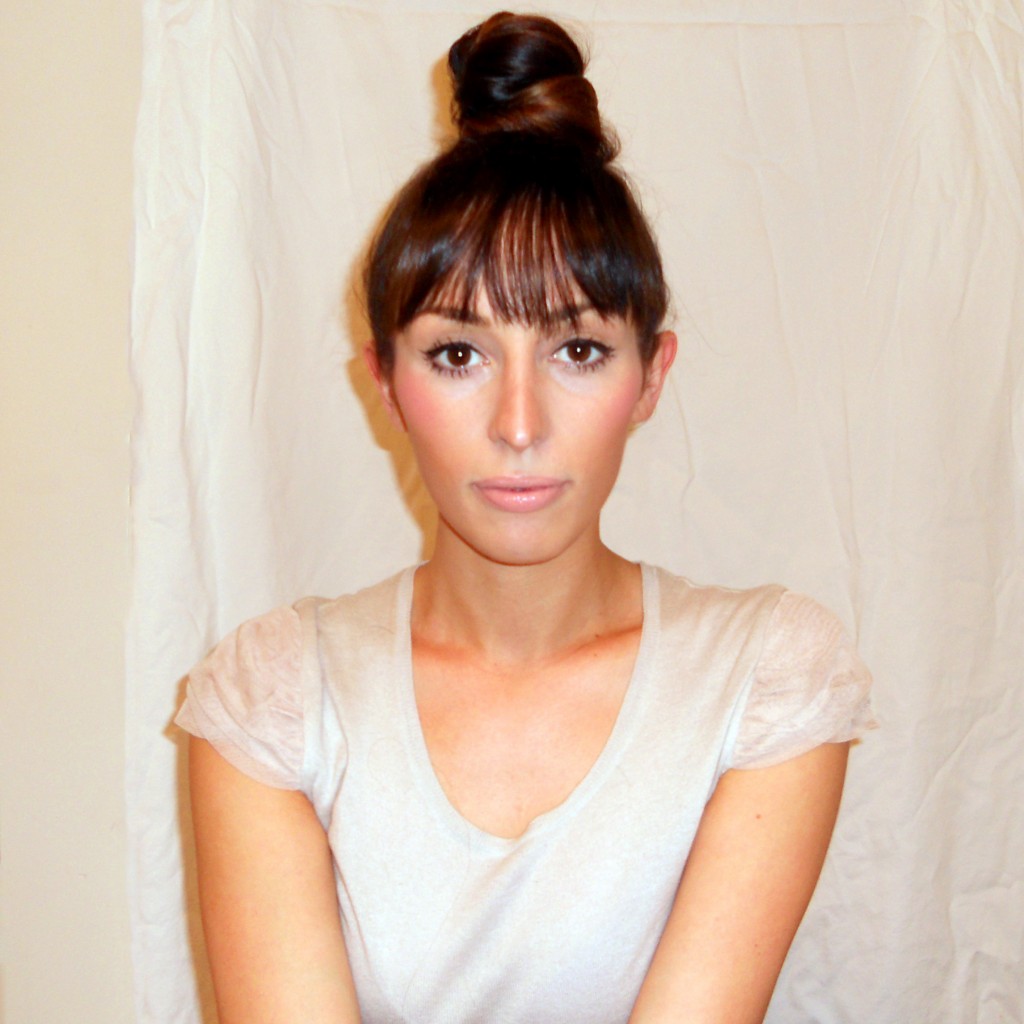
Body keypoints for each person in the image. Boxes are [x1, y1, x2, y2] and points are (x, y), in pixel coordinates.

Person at [176, 11, 875, 1024]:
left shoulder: (764, 677)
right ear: (384, 380)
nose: (517, 424)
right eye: (457, 354)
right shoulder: (274, 697)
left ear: (651, 375)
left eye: (577, 351)